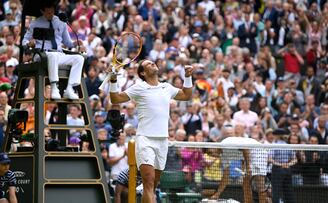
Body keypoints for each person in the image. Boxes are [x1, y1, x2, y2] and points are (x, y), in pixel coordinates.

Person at [109, 59, 193, 203]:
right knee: (148, 181)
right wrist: (113, 80)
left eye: (153, 62)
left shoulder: (166, 87)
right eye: (148, 64)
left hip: (163, 141)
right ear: (142, 72)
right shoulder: (139, 88)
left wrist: (188, 76)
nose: (153, 63)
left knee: (152, 186)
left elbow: (186, 95)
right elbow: (115, 98)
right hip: (145, 140)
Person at [22, 1, 84, 100]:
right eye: (47, 13)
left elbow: (67, 42)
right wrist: (29, 43)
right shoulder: (35, 23)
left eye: (52, 12)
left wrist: (75, 43)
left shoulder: (61, 22)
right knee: (53, 55)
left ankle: (70, 88)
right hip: (42, 55)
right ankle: (54, 87)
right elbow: (24, 41)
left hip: (58, 54)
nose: (50, 15)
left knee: (79, 58)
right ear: (42, 11)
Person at [208, 135, 268, 203]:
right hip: (248, 156)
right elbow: (225, 176)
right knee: (245, 184)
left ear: (214, 145)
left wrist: (248, 166)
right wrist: (217, 194)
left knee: (259, 184)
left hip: (257, 151)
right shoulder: (223, 157)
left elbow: (245, 148)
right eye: (210, 154)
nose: (212, 154)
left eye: (211, 151)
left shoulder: (225, 143)